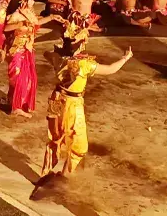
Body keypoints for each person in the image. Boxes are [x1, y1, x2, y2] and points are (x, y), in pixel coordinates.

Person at [40, 30, 132, 177]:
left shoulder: (57, 58)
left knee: (55, 138)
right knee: (79, 146)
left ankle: (45, 173)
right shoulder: (83, 64)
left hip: (56, 99)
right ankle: (63, 176)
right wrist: (125, 58)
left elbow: (46, 54)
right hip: (72, 104)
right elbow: (110, 69)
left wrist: (60, 51)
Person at [2, 0, 40, 117]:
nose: (30, 2)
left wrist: (51, 17)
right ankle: (16, 107)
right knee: (17, 79)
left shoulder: (29, 14)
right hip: (16, 51)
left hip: (27, 51)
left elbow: (37, 25)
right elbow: (6, 28)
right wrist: (19, 24)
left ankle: (19, 103)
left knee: (28, 78)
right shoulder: (16, 15)